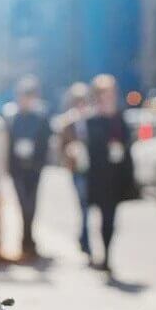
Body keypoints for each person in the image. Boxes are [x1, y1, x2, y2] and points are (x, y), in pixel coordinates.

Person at [85, 74, 136, 272]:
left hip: (116, 176)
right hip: (98, 176)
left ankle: (107, 256)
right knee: (100, 217)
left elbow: (127, 146)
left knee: (111, 219)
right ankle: (96, 253)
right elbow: (90, 146)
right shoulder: (93, 119)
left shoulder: (120, 117)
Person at [5, 74, 51, 259]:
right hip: (17, 168)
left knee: (32, 205)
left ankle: (28, 240)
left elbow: (45, 142)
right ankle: (25, 240)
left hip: (33, 167)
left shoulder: (40, 118)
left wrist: (38, 162)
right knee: (23, 204)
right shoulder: (12, 118)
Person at [57, 82, 92, 258]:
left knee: (89, 206)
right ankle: (85, 240)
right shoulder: (67, 122)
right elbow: (60, 148)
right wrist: (69, 151)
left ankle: (84, 237)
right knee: (83, 205)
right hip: (77, 168)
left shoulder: (92, 119)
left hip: (92, 169)